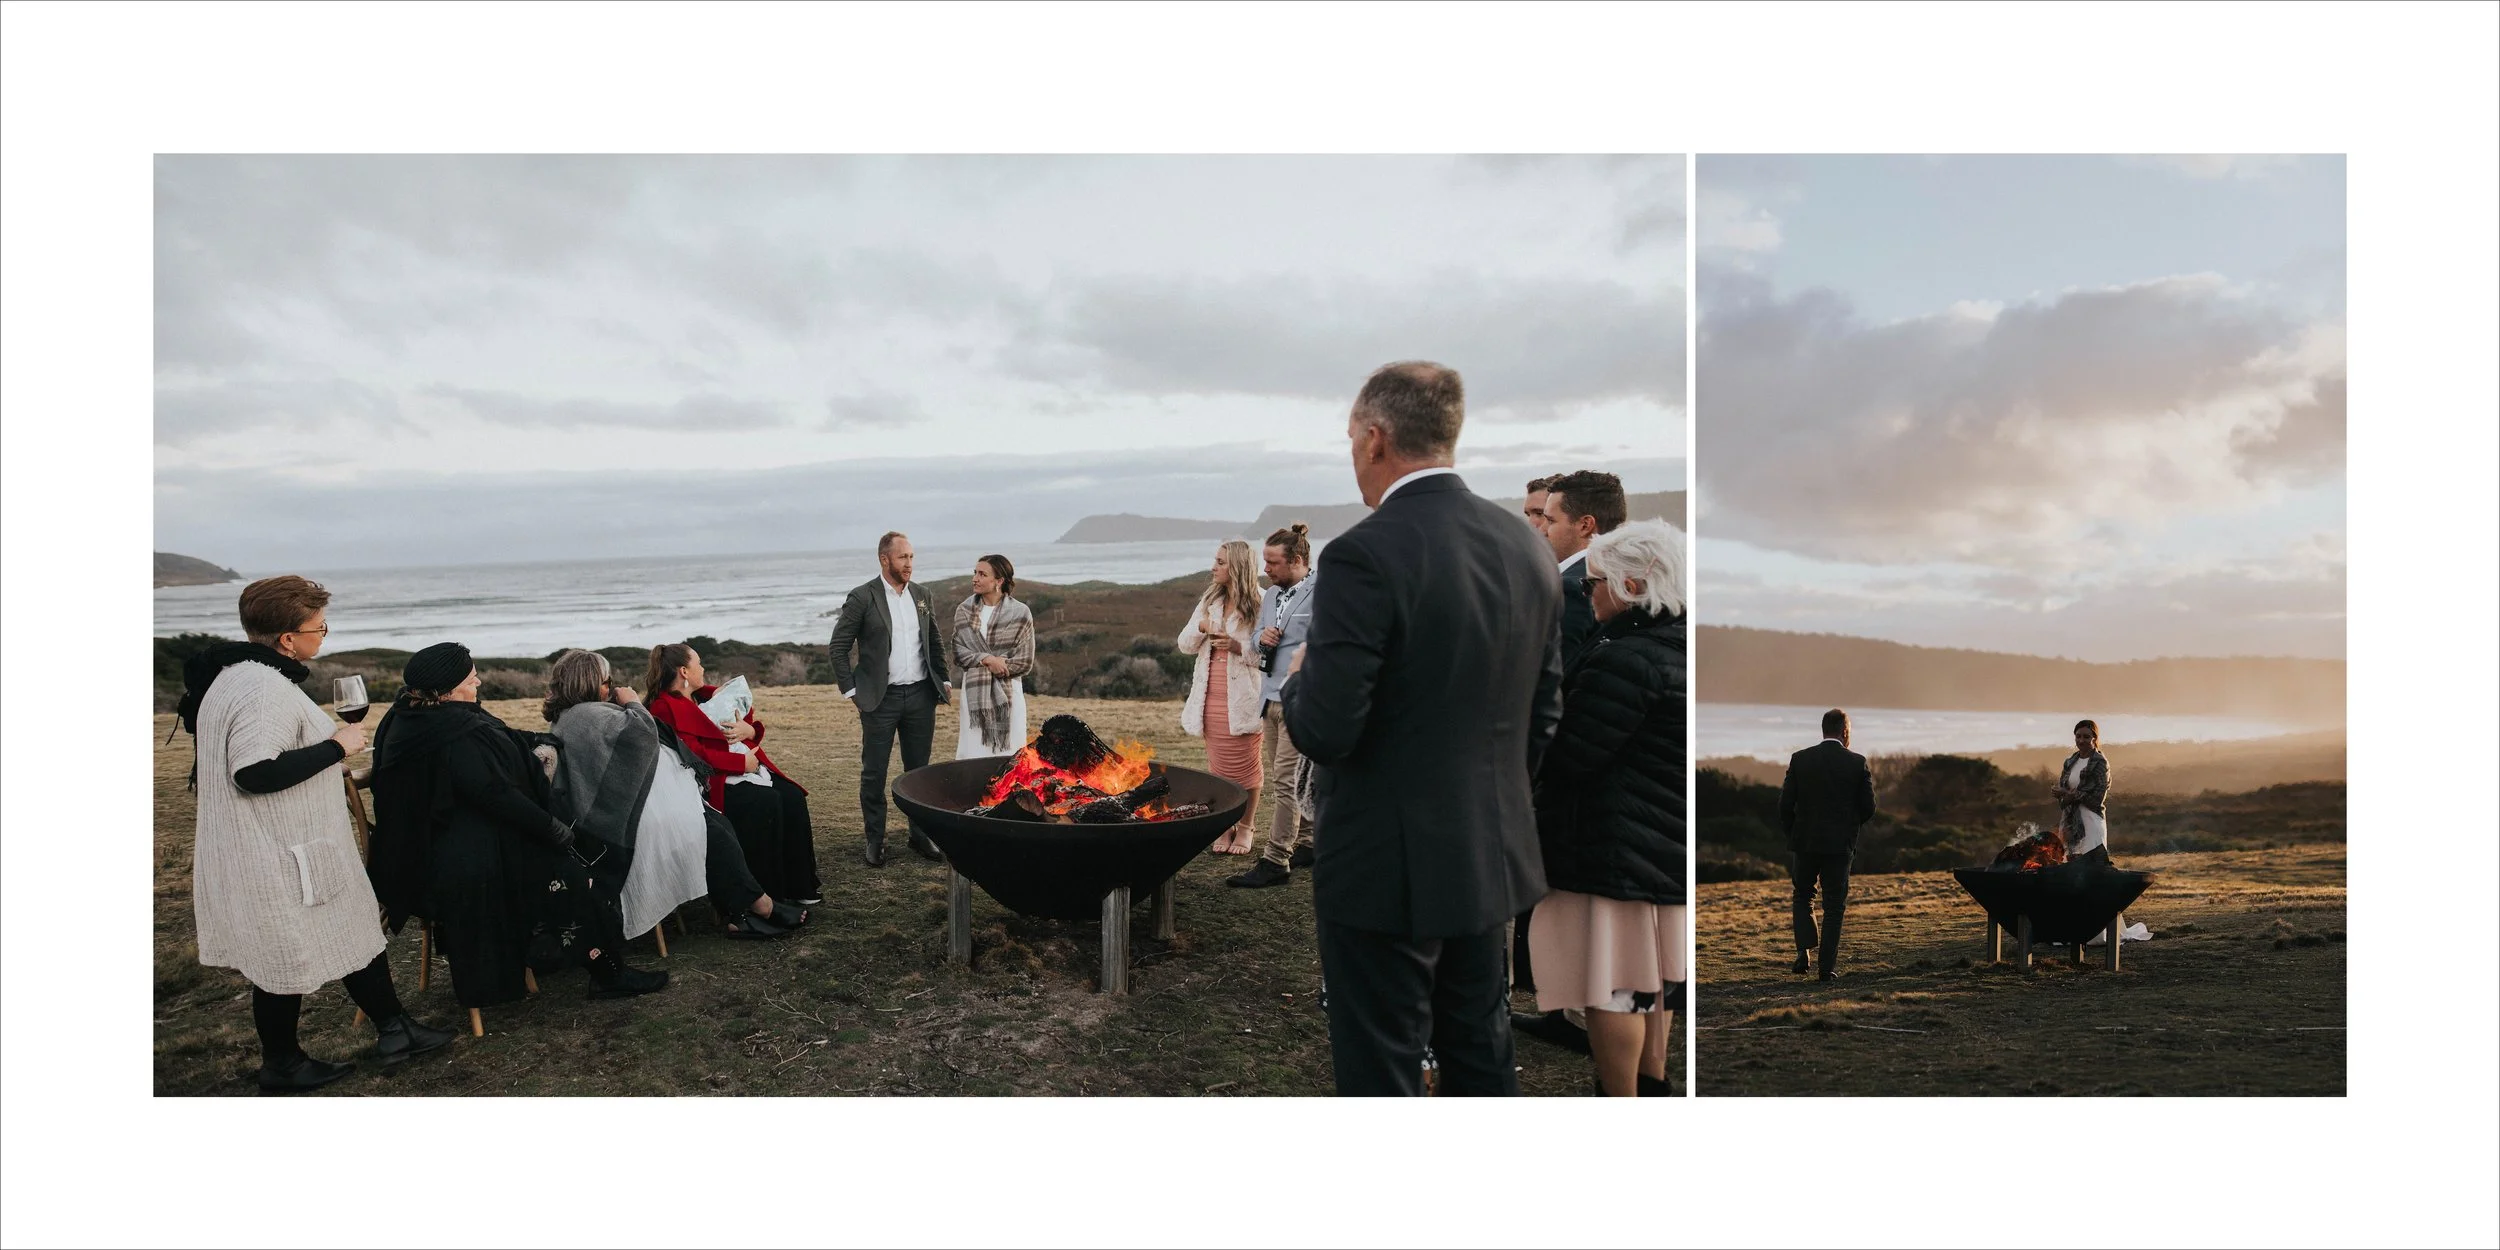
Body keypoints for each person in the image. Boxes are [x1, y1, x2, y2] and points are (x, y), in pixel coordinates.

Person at [1281, 361, 1564, 1097]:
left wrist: (1306, 670)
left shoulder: (1363, 554)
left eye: (1350, 439)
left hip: (1384, 866)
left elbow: (1325, 730)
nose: (1351, 455)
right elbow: (1547, 707)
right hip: (1489, 850)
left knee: (1382, 1063)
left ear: (1376, 439)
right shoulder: (1527, 545)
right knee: (1480, 1051)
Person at [177, 575, 457, 1093]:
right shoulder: (261, 690)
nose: (323, 635)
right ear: (288, 638)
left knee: (350, 931)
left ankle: (394, 1031)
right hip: (278, 849)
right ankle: (282, 1064)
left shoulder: (240, 675)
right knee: (283, 957)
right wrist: (338, 746)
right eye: (319, 627)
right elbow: (253, 772)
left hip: (293, 842)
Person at [368, 643, 667, 1011]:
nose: (478, 679)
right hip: (451, 862)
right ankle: (604, 971)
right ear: (447, 688)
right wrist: (553, 828)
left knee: (565, 861)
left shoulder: (421, 716)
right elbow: (495, 793)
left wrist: (538, 741)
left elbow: (500, 737)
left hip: (461, 838)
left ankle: (591, 961)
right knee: (568, 869)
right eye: (470, 675)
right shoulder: (450, 732)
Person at [1526, 521, 1689, 1096]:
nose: (1585, 593)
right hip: (1659, 844)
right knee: (1653, 983)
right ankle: (1652, 1086)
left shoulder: (1626, 658)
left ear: (1634, 584)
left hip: (1611, 849)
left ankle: (1618, 1096)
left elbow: (1571, 756)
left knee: (1615, 986)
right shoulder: (1679, 644)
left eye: (1594, 584)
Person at [540, 650, 806, 942]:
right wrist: (631, 702)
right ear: (587, 682)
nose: (610, 687)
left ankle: (748, 911)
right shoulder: (586, 716)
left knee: (717, 828)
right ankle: (758, 909)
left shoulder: (577, 715)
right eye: (606, 681)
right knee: (712, 833)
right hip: (625, 819)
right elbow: (643, 736)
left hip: (631, 807)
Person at [641, 642, 821, 905]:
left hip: (743, 766)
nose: (703, 669)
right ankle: (769, 893)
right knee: (765, 803)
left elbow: (745, 719)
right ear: (684, 671)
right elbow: (693, 754)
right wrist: (740, 764)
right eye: (698, 664)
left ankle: (800, 885)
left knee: (791, 796)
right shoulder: (664, 707)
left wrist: (750, 731)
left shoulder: (705, 695)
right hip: (708, 781)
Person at [828, 531, 954, 867]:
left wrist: (942, 678)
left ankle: (919, 834)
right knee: (874, 773)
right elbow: (838, 647)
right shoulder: (862, 597)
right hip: (879, 701)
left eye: (911, 557)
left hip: (920, 697)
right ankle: (875, 838)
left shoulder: (922, 595)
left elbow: (933, 641)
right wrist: (851, 690)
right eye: (903, 558)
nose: (909, 564)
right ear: (885, 559)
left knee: (918, 772)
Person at [1229, 523, 1320, 888]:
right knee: (1295, 780)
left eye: (1272, 563)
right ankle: (1310, 843)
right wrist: (1260, 637)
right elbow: (1254, 639)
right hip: (1270, 699)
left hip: (1303, 700)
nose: (1265, 569)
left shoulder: (1322, 592)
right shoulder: (1270, 596)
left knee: (1284, 782)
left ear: (1297, 561)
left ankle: (1275, 861)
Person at [1180, 538, 1266, 855]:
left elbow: (1269, 656)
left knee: (1247, 769)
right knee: (1219, 769)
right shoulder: (1209, 601)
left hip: (1244, 697)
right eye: (1215, 561)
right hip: (1210, 695)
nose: (1213, 567)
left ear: (1238, 567)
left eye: (1220, 562)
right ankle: (1225, 825)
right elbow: (1185, 645)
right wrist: (1202, 626)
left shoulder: (1260, 603)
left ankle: (1246, 826)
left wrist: (1237, 647)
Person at [1780, 707, 1877, 981]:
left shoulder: (1800, 759)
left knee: (1803, 896)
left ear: (1823, 730)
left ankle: (1804, 950)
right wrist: (1849, 828)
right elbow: (1868, 807)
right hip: (1839, 845)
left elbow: (1785, 805)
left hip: (1805, 842)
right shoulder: (1857, 763)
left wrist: (1794, 834)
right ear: (1845, 732)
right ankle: (1826, 969)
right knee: (1834, 905)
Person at [1540, 468, 1630, 669]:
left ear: (1585, 525)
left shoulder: (1570, 588)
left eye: (1550, 520)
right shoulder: (1632, 581)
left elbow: (1555, 675)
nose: (1542, 530)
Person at [952, 554, 1035, 759]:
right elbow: (958, 652)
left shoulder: (1020, 613)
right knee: (974, 754)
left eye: (982, 574)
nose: (975, 579)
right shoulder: (964, 611)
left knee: (1010, 755)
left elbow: (1025, 661)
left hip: (1009, 696)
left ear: (999, 581)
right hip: (974, 697)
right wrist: (988, 659)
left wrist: (1001, 665)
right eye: (975, 573)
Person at [2054, 719, 2113, 864]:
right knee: (2070, 864)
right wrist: (2060, 794)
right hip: (2069, 821)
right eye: (2078, 736)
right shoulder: (2070, 762)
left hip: (2090, 821)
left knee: (2091, 864)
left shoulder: (2100, 763)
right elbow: (2063, 801)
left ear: (2094, 738)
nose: (2081, 740)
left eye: (2086, 737)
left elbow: (2097, 799)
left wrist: (2072, 795)